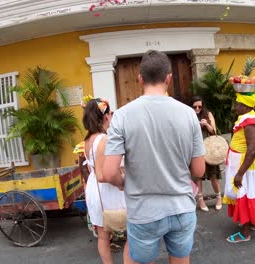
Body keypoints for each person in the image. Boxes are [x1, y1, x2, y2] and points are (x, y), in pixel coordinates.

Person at [102, 50, 206, 264]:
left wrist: (123, 183)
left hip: (143, 211)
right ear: (168, 78)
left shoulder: (121, 116)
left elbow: (109, 172)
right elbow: (199, 171)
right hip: (181, 207)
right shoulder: (189, 114)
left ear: (140, 78)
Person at [223, 92, 255, 243]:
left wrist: (240, 173)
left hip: (246, 165)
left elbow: (252, 149)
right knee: (251, 192)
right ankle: (252, 222)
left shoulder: (250, 122)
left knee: (244, 195)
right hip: (246, 163)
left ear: (245, 106)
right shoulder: (248, 118)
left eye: (237, 104)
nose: (235, 107)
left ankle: (244, 234)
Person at [82, 98, 126, 264]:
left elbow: (93, 170)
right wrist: (121, 182)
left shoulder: (87, 140)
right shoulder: (103, 139)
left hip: (94, 189)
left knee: (103, 235)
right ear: (106, 116)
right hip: (106, 190)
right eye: (110, 113)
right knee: (132, 229)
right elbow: (103, 175)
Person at [190, 96, 223, 211]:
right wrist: (196, 127)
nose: (197, 108)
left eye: (200, 106)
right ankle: (201, 200)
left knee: (213, 176)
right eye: (195, 107)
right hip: (195, 150)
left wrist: (206, 125)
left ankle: (219, 197)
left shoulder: (208, 114)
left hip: (210, 150)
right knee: (198, 176)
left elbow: (214, 131)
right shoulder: (188, 115)